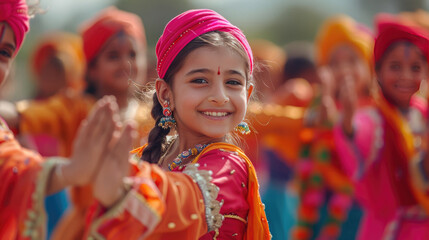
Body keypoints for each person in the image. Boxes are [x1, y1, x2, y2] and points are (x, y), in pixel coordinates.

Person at [82, 9, 271, 239]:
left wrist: (121, 191)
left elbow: (181, 200)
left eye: (233, 82)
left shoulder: (229, 165)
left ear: (248, 93)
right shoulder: (145, 158)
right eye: (200, 80)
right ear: (165, 93)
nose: (220, 96)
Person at [0, 1, 128, 239]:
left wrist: (71, 172)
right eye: (113, 56)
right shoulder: (70, 108)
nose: (125, 64)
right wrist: (70, 172)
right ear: (91, 68)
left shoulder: (153, 119)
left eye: (4, 53)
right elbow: (19, 120)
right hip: (60, 199)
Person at [334, 13, 429, 240]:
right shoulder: (374, 118)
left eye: (415, 68)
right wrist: (348, 125)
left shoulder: (423, 112)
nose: (406, 76)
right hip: (389, 230)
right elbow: (359, 133)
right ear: (377, 71)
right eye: (395, 67)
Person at [293, 15, 374, 240]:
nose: (343, 69)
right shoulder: (316, 106)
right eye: (334, 64)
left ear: (369, 68)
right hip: (320, 205)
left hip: (360, 207)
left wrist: (339, 121)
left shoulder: (377, 111)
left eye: (351, 61)